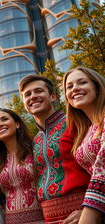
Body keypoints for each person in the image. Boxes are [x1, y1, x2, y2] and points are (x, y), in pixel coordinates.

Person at [19, 74, 91, 223]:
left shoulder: (76, 122)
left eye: (38, 91)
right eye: (27, 94)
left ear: (52, 96)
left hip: (81, 213)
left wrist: (89, 211)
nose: (33, 96)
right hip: (49, 216)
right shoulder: (35, 139)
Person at [63, 67, 105, 223]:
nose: (75, 89)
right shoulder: (85, 131)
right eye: (69, 86)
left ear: (97, 87)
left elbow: (102, 169)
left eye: (82, 82)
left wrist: (89, 215)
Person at [0, 108, 44, 224]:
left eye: (4, 119)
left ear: (17, 124)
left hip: (41, 219)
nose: (0, 124)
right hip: (10, 220)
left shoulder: (35, 149)